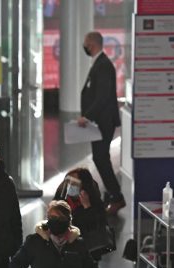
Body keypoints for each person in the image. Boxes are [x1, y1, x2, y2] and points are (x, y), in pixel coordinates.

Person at [79, 31, 124, 215]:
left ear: (92, 44)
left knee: (100, 158)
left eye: (85, 42)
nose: (85, 46)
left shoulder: (103, 65)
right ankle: (111, 194)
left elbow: (103, 97)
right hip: (98, 121)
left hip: (103, 121)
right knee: (101, 157)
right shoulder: (99, 63)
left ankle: (117, 197)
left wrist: (87, 116)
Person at [53, 167, 108, 268]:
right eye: (68, 181)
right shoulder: (61, 199)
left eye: (75, 183)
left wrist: (87, 207)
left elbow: (98, 226)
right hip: (64, 256)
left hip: (86, 256)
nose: (71, 185)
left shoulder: (93, 202)